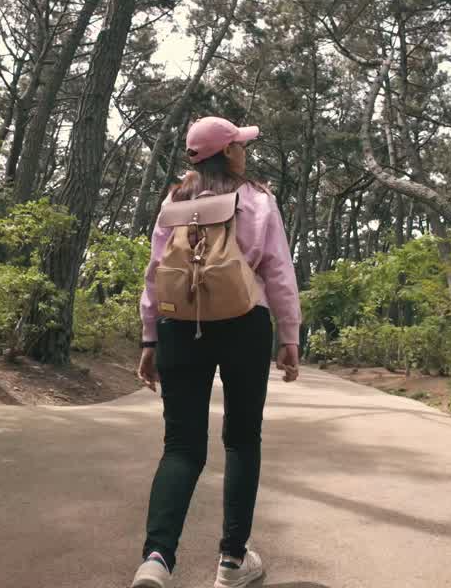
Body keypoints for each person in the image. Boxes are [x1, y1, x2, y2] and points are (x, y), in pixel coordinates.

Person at [130, 116, 302, 588]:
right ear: (228, 153)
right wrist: (289, 336)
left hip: (178, 325)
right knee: (242, 439)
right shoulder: (258, 198)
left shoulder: (175, 200)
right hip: (245, 322)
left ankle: (157, 559)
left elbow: (155, 273)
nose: (245, 151)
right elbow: (279, 272)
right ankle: (231, 561)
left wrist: (150, 338)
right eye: (240, 146)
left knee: (181, 446)